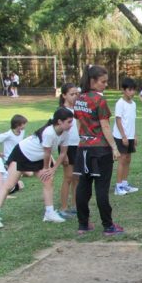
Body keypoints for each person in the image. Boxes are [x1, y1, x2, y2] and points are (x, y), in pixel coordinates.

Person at [0, 108, 74, 229]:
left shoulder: (65, 134)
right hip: (22, 154)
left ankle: (49, 213)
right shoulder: (49, 133)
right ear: (59, 121)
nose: (71, 124)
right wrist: (46, 169)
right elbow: (47, 153)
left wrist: (53, 169)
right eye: (69, 122)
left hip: (37, 158)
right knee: (9, 185)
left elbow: (63, 153)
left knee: (48, 181)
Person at [74, 64, 123, 236]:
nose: (105, 84)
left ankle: (83, 224)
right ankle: (108, 226)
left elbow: (78, 123)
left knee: (83, 186)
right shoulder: (99, 100)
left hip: (83, 148)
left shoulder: (79, 99)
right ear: (93, 81)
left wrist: (83, 138)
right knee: (101, 188)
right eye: (103, 81)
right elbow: (105, 126)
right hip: (100, 149)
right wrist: (114, 147)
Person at [112, 77, 139, 196]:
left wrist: (134, 135)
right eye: (129, 90)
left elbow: (132, 120)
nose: (132, 92)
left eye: (133, 90)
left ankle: (124, 183)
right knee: (122, 160)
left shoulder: (133, 104)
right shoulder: (120, 103)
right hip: (120, 136)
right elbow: (118, 121)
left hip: (130, 136)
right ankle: (118, 187)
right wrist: (123, 136)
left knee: (128, 159)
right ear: (123, 90)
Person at [58, 84, 80, 218]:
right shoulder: (61, 111)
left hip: (78, 145)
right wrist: (64, 153)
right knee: (68, 177)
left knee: (77, 177)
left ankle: (75, 205)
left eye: (76, 94)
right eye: (72, 94)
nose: (75, 96)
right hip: (67, 147)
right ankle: (63, 208)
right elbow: (59, 133)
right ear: (64, 95)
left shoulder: (78, 109)